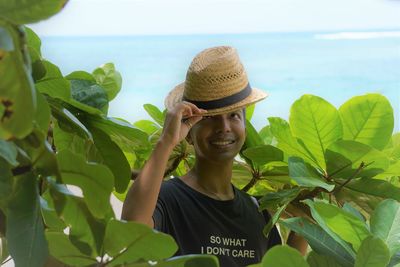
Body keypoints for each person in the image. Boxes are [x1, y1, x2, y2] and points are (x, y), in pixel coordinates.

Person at [122, 46, 307, 266]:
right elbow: (133, 229)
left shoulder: (258, 213)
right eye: (210, 118)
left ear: (245, 128)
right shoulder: (167, 199)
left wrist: (305, 228)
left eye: (234, 116)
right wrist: (166, 141)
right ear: (188, 132)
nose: (224, 127)